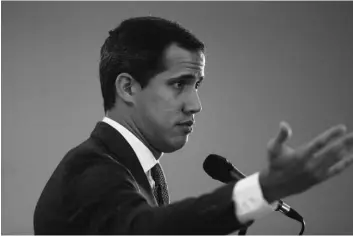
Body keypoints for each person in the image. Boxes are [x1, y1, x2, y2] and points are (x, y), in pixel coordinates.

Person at [33, 16, 353, 234]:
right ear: (128, 88)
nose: (195, 104)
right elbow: (152, 230)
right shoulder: (91, 172)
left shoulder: (134, 168)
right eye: (179, 84)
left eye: (197, 84)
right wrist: (264, 189)